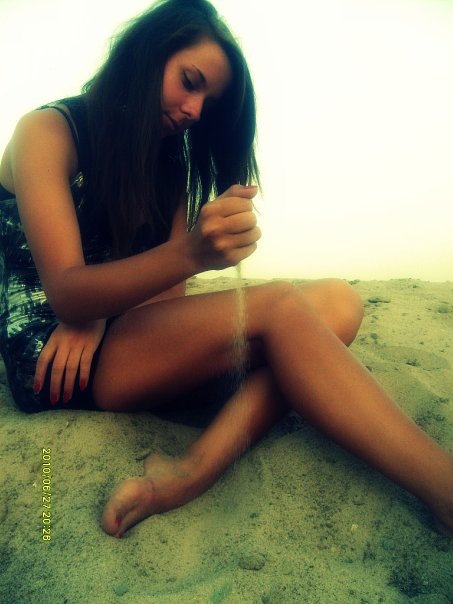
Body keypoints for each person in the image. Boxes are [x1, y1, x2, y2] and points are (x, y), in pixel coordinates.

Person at [0, 0, 451, 540]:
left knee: (339, 301)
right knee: (280, 306)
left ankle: (191, 469)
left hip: (117, 338)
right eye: (189, 82)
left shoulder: (168, 166)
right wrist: (191, 253)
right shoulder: (48, 131)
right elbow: (66, 292)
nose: (194, 110)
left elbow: (166, 299)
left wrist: (103, 314)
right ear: (147, 54)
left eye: (207, 104)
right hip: (54, 360)